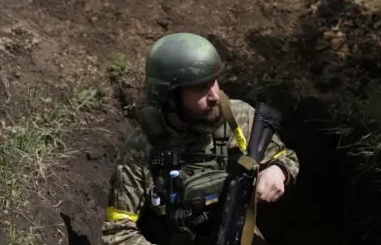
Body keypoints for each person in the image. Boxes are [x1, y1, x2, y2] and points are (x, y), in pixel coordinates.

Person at [102, 32, 299, 245]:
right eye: (200, 88)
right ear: (171, 97)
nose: (214, 95)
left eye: (214, 81)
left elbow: (285, 157)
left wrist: (278, 170)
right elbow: (117, 231)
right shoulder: (143, 147)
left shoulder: (239, 118)